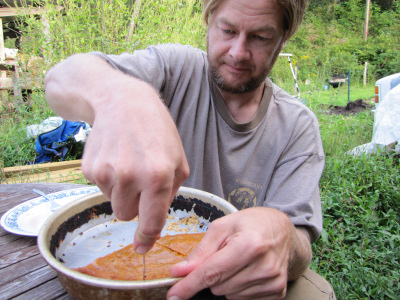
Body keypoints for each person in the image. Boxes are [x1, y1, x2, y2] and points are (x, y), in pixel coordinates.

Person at [44, 0, 336, 299]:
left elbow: (301, 241)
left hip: (232, 281)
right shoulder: (175, 70)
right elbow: (60, 77)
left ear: (283, 39)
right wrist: (118, 95)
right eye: (228, 30)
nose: (238, 52)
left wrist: (284, 235)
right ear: (209, 21)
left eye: (260, 37)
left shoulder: (297, 127)